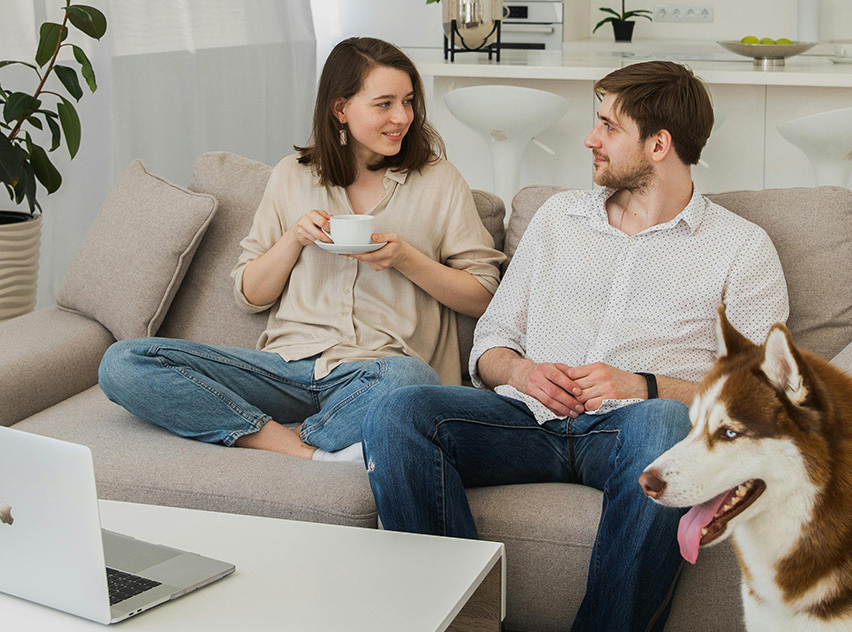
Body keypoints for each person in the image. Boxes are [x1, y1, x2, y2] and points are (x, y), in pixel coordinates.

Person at [360, 61, 789, 630]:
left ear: (659, 144)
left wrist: (642, 386)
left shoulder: (741, 248)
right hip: (523, 421)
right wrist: (519, 373)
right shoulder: (559, 217)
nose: (591, 139)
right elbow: (491, 340)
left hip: (629, 433)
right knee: (396, 412)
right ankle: (460, 622)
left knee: (660, 428)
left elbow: (763, 395)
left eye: (608, 126)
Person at [99, 37, 504, 462]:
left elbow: (483, 297)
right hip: (285, 367)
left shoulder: (440, 181)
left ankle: (299, 436)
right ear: (340, 109)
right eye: (384, 104)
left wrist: (405, 259)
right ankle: (304, 448)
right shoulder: (292, 176)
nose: (401, 117)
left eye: (408, 102)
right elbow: (249, 294)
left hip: (380, 369)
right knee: (124, 360)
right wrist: (294, 239)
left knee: (410, 381)